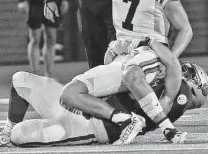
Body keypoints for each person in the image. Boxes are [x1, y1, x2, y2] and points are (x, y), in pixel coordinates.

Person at [53, 0, 193, 143]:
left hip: (149, 49)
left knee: (132, 72)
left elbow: (186, 30)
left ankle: (168, 129)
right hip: (121, 50)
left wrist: (170, 58)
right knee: (71, 92)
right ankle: (125, 120)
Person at [0, 60, 207, 146]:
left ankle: (13, 133)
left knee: (22, 134)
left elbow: (171, 101)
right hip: (78, 101)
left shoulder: (181, 93)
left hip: (89, 125)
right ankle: (6, 132)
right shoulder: (156, 74)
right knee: (20, 79)